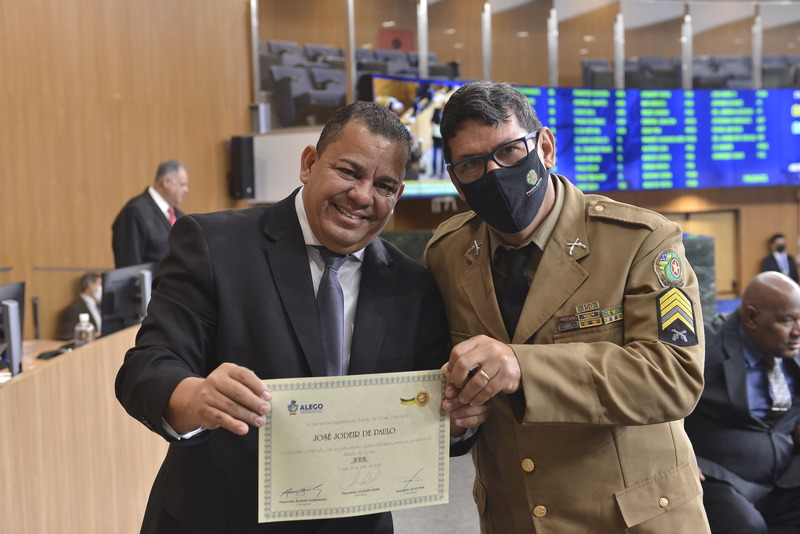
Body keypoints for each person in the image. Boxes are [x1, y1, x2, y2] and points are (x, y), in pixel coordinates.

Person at [114, 102, 451, 534]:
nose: (363, 195)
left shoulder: (412, 286)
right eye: (349, 172)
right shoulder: (213, 245)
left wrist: (459, 413)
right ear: (309, 164)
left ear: (397, 196)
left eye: (384, 185)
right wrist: (196, 397)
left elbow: (436, 410)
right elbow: (147, 367)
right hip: (220, 520)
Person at [424, 81, 710, 532]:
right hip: (514, 518)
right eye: (472, 164)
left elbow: (674, 377)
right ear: (456, 179)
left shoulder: (640, 242)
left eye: (510, 151)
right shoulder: (447, 254)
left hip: (633, 519)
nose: (494, 173)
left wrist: (523, 367)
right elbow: (440, 381)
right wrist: (456, 419)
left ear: (545, 147)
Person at [685, 271, 800, 534]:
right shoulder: (702, 348)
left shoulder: (791, 349)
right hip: (720, 478)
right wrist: (677, 457)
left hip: (785, 476)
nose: (798, 331)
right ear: (751, 317)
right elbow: (654, 408)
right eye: (787, 320)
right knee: (747, 526)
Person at [112, 159, 190, 268]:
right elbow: (129, 265)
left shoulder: (179, 216)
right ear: (167, 182)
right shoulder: (135, 212)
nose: (187, 190)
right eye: (182, 185)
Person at [57, 271, 102, 340]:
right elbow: (67, 337)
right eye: (100, 284)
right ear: (90, 285)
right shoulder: (74, 309)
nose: (101, 288)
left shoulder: (98, 306)